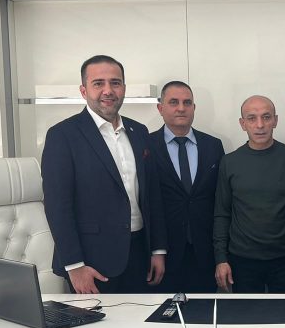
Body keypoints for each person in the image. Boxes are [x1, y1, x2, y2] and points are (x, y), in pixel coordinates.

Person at [42, 55, 166, 294]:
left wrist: (157, 250)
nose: (108, 90)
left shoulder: (139, 132)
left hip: (140, 255)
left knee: (144, 317)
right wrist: (74, 266)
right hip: (92, 262)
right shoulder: (63, 135)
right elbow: (58, 207)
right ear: (83, 90)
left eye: (115, 83)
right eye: (98, 83)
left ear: (124, 89)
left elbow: (152, 195)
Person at [213, 95, 285, 293]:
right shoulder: (229, 162)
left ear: (275, 120)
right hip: (242, 260)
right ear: (242, 124)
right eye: (251, 118)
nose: (260, 125)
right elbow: (222, 213)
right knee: (246, 313)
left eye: (266, 117)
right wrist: (221, 259)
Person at [148, 81, 225, 294]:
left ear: (194, 107)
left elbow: (221, 201)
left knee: (204, 311)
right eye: (174, 102)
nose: (181, 108)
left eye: (187, 102)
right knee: (163, 312)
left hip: (205, 254)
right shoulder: (146, 145)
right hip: (163, 255)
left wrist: (222, 255)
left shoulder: (213, 145)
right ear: (160, 108)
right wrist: (155, 250)